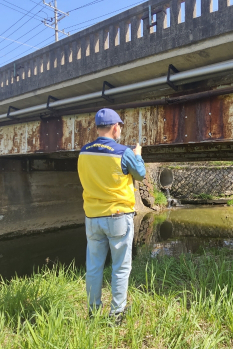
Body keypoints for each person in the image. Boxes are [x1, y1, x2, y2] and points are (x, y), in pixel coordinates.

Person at [77, 108, 145, 324]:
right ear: (116, 127)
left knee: (94, 267)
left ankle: (93, 311)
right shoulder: (124, 152)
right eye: (120, 127)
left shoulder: (83, 152)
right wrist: (138, 155)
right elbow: (140, 174)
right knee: (121, 267)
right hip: (118, 216)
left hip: (92, 216)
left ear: (98, 127)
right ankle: (116, 314)